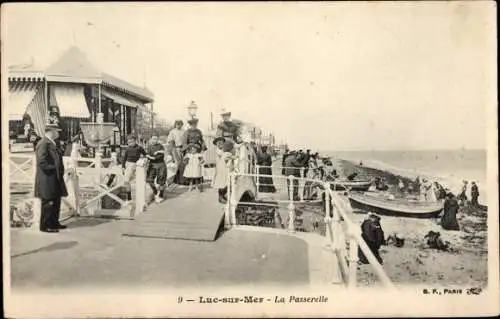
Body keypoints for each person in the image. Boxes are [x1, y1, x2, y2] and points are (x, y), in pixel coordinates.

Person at [34, 124, 68, 233]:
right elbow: (42, 162)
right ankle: (45, 225)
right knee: (48, 202)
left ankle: (54, 222)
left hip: (55, 178)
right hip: (47, 179)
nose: (58, 133)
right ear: (51, 131)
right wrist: (54, 169)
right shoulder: (43, 143)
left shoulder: (52, 143)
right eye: (57, 131)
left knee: (56, 200)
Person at [122, 135, 147, 202]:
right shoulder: (127, 149)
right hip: (129, 164)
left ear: (135, 141)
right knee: (126, 181)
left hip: (137, 164)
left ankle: (140, 198)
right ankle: (129, 197)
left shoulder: (139, 148)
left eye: (132, 142)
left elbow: (145, 154)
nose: (130, 143)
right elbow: (124, 159)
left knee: (139, 181)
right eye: (129, 142)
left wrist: (143, 160)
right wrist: (123, 167)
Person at [146, 135, 167, 203]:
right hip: (152, 165)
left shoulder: (160, 146)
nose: (155, 140)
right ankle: (155, 191)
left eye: (156, 139)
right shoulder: (149, 147)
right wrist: (149, 157)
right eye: (153, 139)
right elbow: (147, 155)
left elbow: (162, 154)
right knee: (149, 179)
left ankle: (161, 194)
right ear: (151, 139)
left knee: (161, 180)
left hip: (160, 164)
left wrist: (156, 155)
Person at [212, 136, 234, 202]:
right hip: (220, 169)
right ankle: (220, 197)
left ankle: (223, 196)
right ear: (216, 144)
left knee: (225, 183)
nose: (220, 144)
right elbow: (225, 156)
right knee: (221, 183)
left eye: (221, 143)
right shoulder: (218, 151)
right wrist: (233, 157)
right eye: (218, 143)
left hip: (224, 168)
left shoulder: (223, 150)